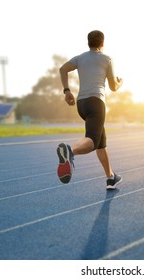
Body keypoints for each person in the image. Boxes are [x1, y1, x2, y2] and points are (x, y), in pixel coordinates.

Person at [57, 30, 123, 190]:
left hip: (81, 104)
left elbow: (63, 69)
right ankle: (70, 151)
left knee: (101, 142)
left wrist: (66, 91)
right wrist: (120, 82)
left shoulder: (80, 58)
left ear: (89, 43)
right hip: (96, 103)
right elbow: (113, 87)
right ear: (102, 43)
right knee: (92, 140)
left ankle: (110, 177)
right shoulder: (107, 59)